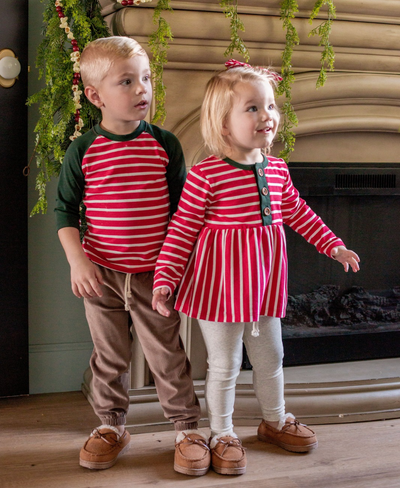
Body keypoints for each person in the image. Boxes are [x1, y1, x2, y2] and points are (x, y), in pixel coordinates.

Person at [152, 59, 360, 476]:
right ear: (223, 124)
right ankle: (223, 433)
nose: (268, 116)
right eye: (253, 108)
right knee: (225, 364)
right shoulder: (207, 176)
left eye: (271, 107)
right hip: (220, 289)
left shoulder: (277, 169)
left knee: (271, 357)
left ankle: (275, 419)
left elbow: (299, 214)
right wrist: (165, 280)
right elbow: (181, 232)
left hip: (264, 287)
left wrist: (333, 246)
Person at [55, 36, 210, 475]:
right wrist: (78, 260)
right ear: (95, 95)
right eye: (128, 81)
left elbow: (184, 212)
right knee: (109, 354)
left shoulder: (164, 144)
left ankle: (186, 428)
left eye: (146, 78)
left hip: (154, 274)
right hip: (99, 274)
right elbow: (64, 210)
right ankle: (110, 426)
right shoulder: (83, 150)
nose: (142, 89)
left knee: (167, 352)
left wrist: (179, 266)